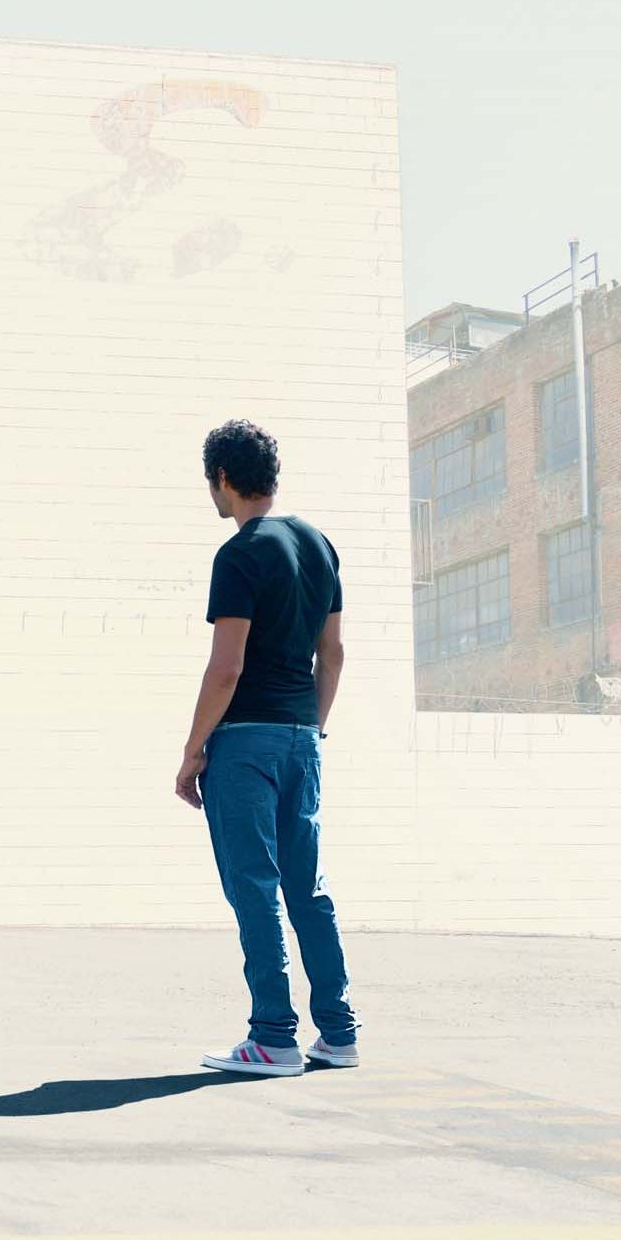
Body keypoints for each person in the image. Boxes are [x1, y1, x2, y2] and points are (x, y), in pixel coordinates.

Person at [174, 420, 357, 1077]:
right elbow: (331, 654)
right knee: (307, 884)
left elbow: (226, 667)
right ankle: (337, 1031)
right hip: (302, 736)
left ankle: (274, 1035)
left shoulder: (241, 553)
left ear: (222, 479)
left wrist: (194, 748)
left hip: (245, 741)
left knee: (254, 884)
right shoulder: (319, 545)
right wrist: (312, 725)